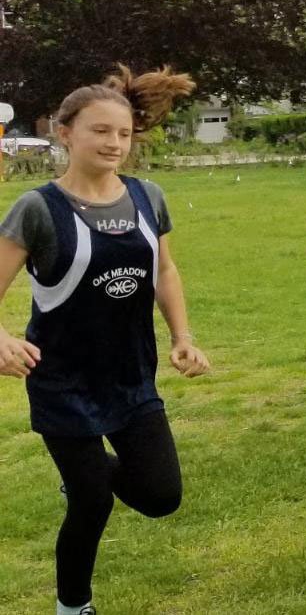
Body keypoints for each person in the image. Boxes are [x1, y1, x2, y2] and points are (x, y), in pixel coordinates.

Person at [0, 67, 210, 615]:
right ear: (64, 131)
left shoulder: (148, 196)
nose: (114, 143)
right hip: (63, 381)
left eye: (122, 133)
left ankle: (85, 477)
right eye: (99, 131)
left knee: (161, 498)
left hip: (131, 375)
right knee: (92, 502)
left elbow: (165, 271)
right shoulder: (38, 209)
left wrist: (182, 337)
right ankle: (74, 606)